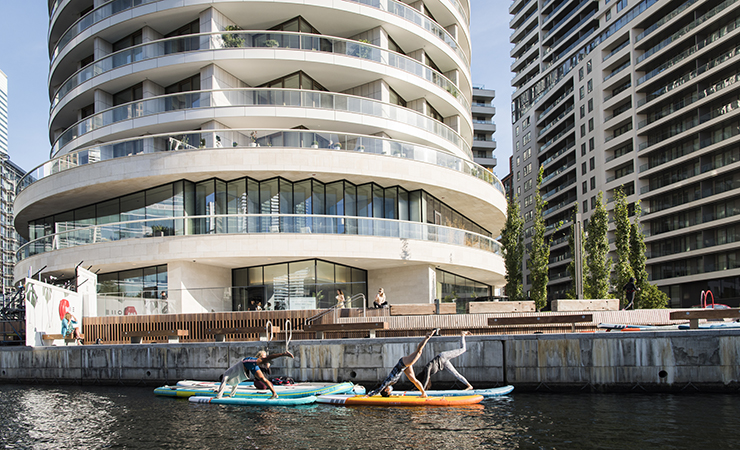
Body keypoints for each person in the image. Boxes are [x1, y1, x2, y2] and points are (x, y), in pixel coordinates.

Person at [367, 329, 439, 398]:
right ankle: (423, 393)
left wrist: (369, 395)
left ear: (386, 389)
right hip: (404, 368)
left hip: (403, 363)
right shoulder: (390, 383)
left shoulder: (387, 381)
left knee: (419, 351)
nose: (391, 390)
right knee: (413, 379)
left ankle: (427, 337)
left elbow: (379, 389)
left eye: (389, 391)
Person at [216, 350, 294, 399]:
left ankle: (284, 353)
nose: (225, 382)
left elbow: (222, 384)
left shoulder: (226, 374)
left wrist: (218, 397)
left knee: (264, 360)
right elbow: (235, 384)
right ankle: (274, 394)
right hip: (249, 368)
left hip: (246, 362)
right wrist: (231, 396)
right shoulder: (232, 379)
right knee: (263, 379)